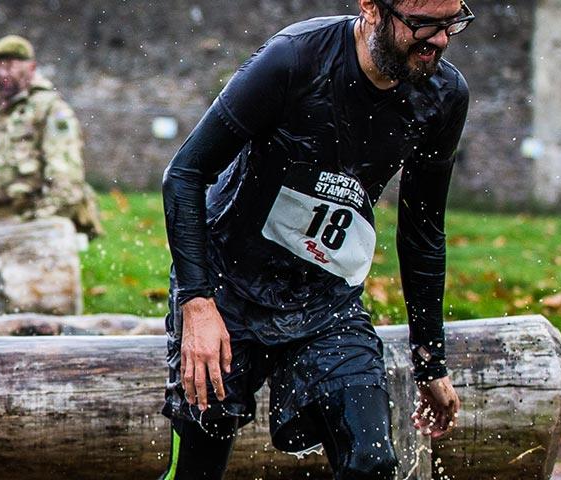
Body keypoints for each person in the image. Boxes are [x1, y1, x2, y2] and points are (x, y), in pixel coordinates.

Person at [157, 1, 472, 478]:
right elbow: (184, 174)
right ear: (371, 6)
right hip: (227, 288)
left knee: (371, 463)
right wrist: (196, 303)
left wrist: (429, 360)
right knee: (198, 469)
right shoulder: (294, 59)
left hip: (325, 299)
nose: (441, 40)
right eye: (423, 24)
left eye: (452, 22)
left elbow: (422, 232)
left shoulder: (443, 94)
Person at [0, 34, 103, 240]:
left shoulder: (49, 110)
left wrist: (35, 225)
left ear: (31, 67)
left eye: (11, 65)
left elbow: (66, 181)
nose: (3, 72)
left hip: (36, 224)